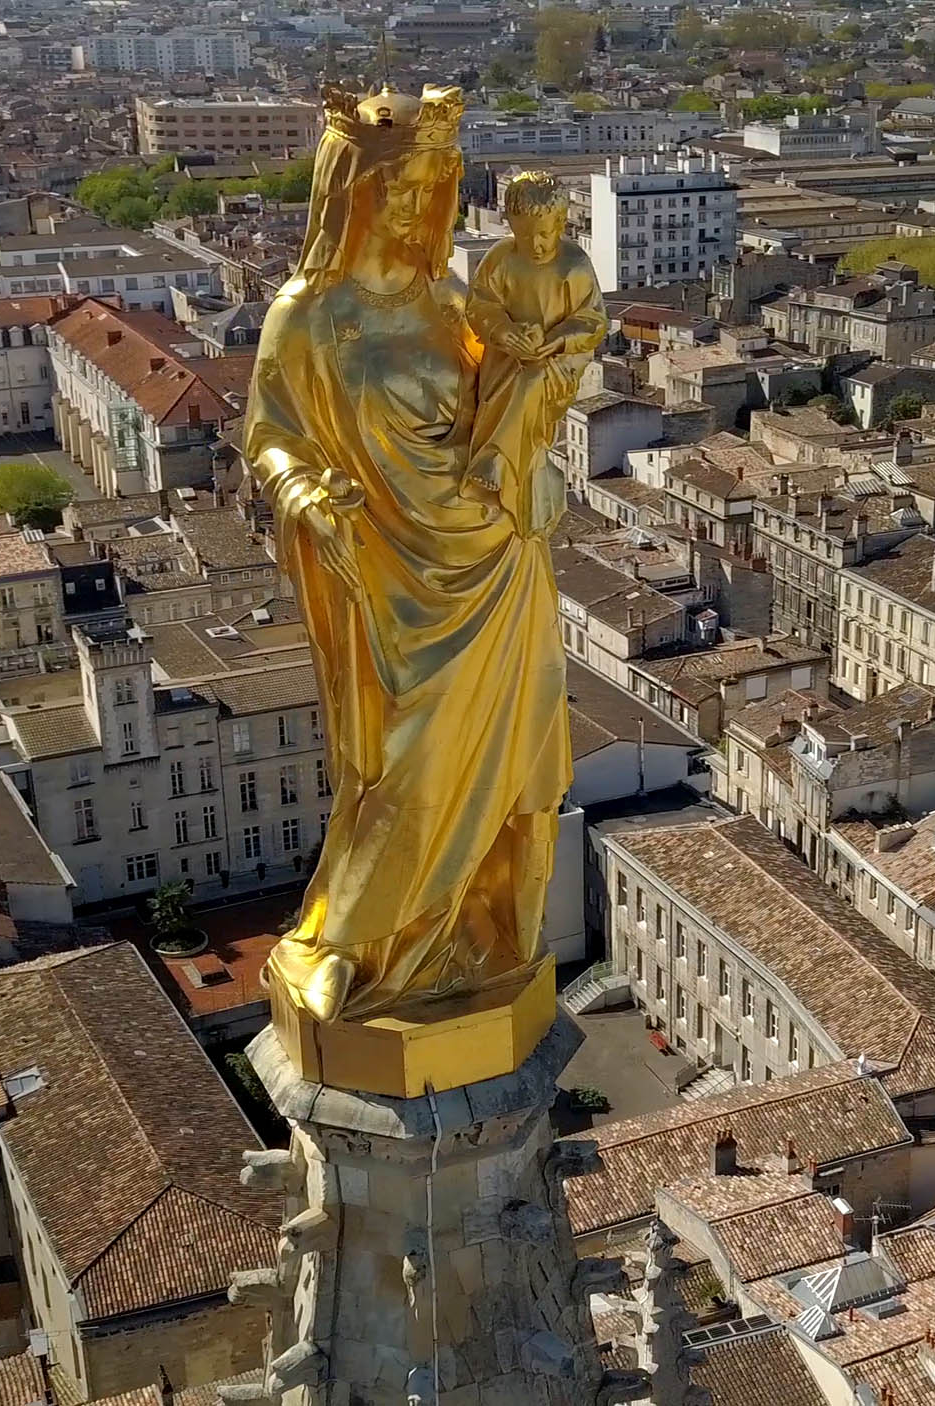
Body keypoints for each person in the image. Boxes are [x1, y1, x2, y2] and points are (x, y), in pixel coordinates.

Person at [241, 86, 572, 1024]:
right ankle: (352, 938)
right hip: (387, 571)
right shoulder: (305, 316)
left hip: (498, 560)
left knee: (505, 759)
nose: (411, 205)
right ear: (349, 191)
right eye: (392, 187)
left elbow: (507, 403)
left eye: (428, 187)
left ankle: (472, 934)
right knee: (405, 763)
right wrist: (309, 495)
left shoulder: (451, 301)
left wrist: (539, 432)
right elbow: (269, 436)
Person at [466, 171, 607, 537]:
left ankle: (497, 459)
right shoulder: (500, 259)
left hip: (560, 360)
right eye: (526, 234)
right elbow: (480, 304)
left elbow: (593, 321)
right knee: (518, 379)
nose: (538, 244)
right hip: (505, 356)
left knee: (533, 380)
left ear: (562, 223)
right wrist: (504, 332)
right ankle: (508, 471)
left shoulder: (573, 265)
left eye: (546, 233)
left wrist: (556, 340)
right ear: (511, 226)